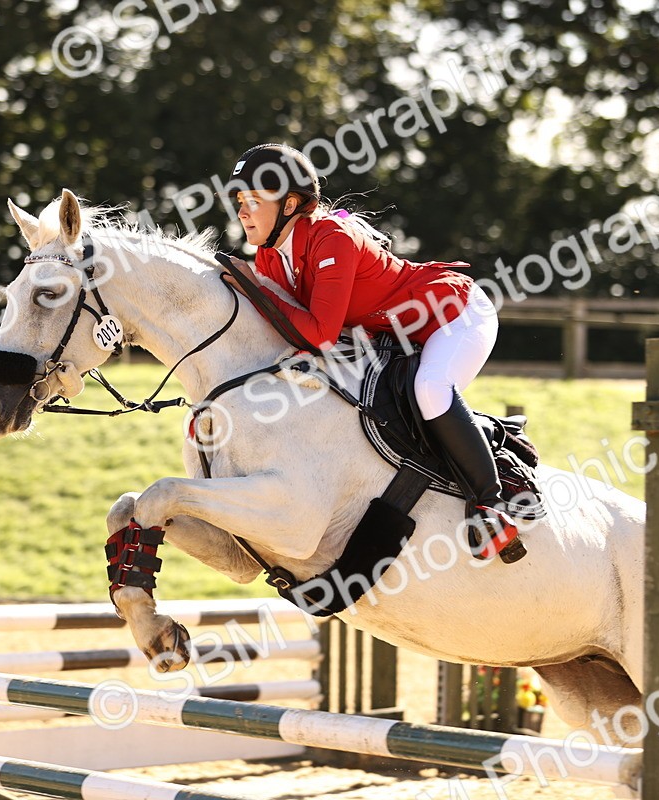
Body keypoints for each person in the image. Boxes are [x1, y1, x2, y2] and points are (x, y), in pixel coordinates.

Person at [220, 143, 522, 561]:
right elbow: (290, 332)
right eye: (240, 201)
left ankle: (493, 505)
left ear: (290, 204)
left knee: (430, 389)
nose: (242, 212)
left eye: (254, 201)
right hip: (393, 332)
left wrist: (252, 287)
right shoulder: (270, 257)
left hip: (454, 315)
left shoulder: (332, 239)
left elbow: (320, 334)